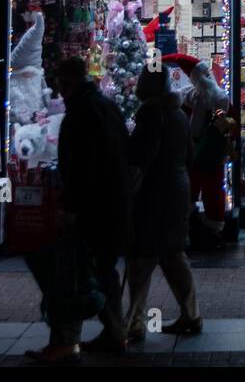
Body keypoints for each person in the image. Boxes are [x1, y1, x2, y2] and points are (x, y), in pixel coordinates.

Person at [25, 57, 131, 363]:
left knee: (72, 272)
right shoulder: (105, 107)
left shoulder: (80, 115)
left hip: (94, 207)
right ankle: (114, 331)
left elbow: (81, 168)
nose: (57, 88)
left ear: (65, 82)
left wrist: (70, 206)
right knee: (102, 270)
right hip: (114, 203)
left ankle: (66, 339)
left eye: (59, 81)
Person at [125, 68, 203, 343]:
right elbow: (190, 155)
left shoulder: (150, 114)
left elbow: (141, 156)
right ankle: (190, 314)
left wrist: (130, 188)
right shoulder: (179, 113)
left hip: (154, 193)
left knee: (141, 259)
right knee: (173, 255)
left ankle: (134, 320)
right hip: (178, 190)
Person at [184, 59, 231, 250]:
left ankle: (195, 229)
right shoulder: (219, 97)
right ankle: (213, 230)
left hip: (197, 151)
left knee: (196, 190)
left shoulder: (190, 97)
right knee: (212, 191)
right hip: (212, 152)